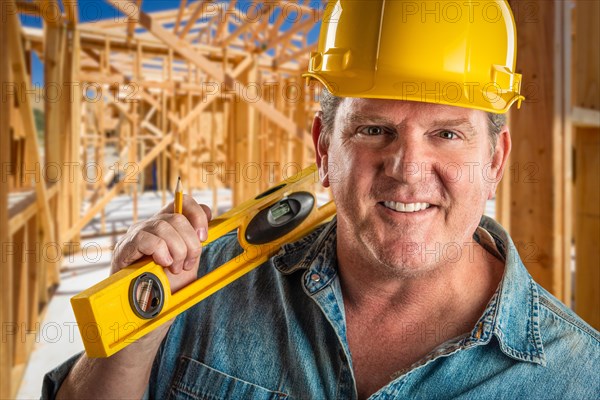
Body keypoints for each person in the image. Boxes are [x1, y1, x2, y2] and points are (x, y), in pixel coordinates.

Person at [43, 1, 599, 399]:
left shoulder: (577, 377)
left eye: (447, 134)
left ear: (497, 160)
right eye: (375, 129)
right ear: (323, 150)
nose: (407, 170)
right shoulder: (200, 287)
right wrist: (128, 344)